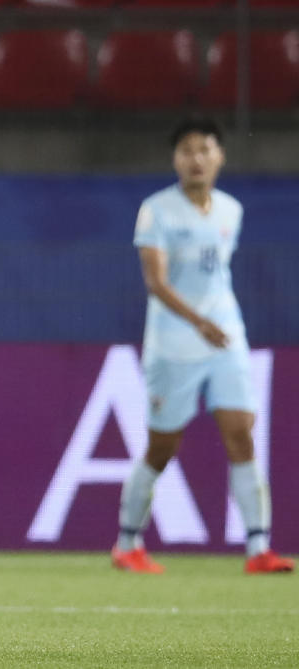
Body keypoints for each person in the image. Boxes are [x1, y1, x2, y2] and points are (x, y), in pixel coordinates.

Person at [113, 116, 293, 575]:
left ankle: (258, 548)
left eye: (204, 150)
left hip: (226, 338)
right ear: (176, 159)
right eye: (187, 150)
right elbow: (156, 282)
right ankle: (127, 543)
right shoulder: (156, 210)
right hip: (174, 346)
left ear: (220, 156)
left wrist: (217, 325)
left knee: (242, 434)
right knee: (162, 447)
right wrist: (199, 323)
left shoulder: (231, 209)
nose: (196, 159)